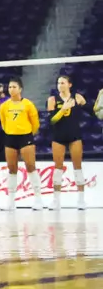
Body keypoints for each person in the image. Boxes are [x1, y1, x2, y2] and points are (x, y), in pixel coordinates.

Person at [0, 79, 41, 210]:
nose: (11, 89)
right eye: (9, 87)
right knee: (11, 169)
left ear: (20, 89)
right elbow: (3, 122)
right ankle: (11, 201)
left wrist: (27, 133)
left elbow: (35, 123)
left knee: (30, 166)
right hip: (10, 137)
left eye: (14, 87)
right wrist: (11, 132)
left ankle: (38, 199)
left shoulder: (28, 104)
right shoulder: (5, 106)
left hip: (25, 137)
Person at [47, 74, 87, 210]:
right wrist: (63, 109)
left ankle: (81, 199)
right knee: (58, 169)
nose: (60, 85)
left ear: (69, 85)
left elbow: (91, 111)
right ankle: (56, 200)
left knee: (78, 168)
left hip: (75, 135)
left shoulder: (77, 97)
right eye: (58, 83)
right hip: (58, 136)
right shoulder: (52, 100)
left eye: (63, 83)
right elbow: (52, 121)